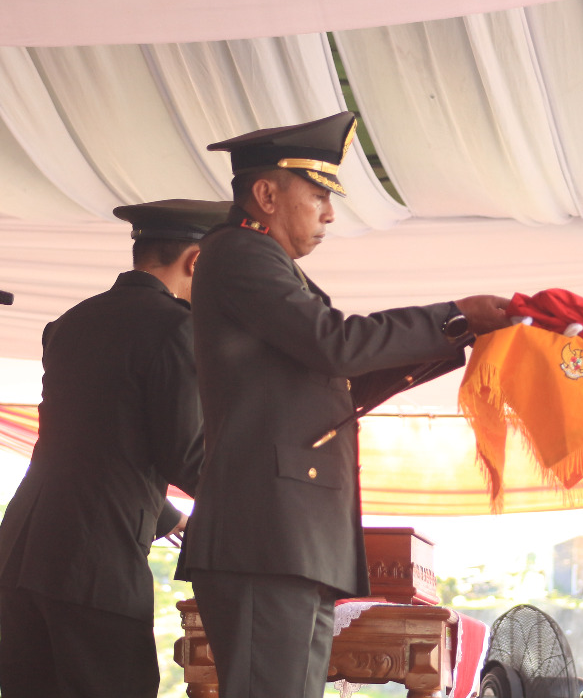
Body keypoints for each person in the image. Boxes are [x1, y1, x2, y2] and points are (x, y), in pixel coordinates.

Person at [178, 112, 512, 698]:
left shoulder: (263, 262)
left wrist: (458, 334)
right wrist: (453, 315)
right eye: (318, 195)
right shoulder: (242, 253)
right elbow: (334, 345)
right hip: (266, 536)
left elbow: (337, 381)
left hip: (288, 536)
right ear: (267, 196)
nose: (329, 213)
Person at [0, 200, 226, 698]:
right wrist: (266, 497)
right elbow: (185, 455)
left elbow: (90, 441)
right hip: (94, 564)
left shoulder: (71, 321)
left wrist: (167, 517)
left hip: (25, 552)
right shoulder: (177, 326)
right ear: (196, 261)